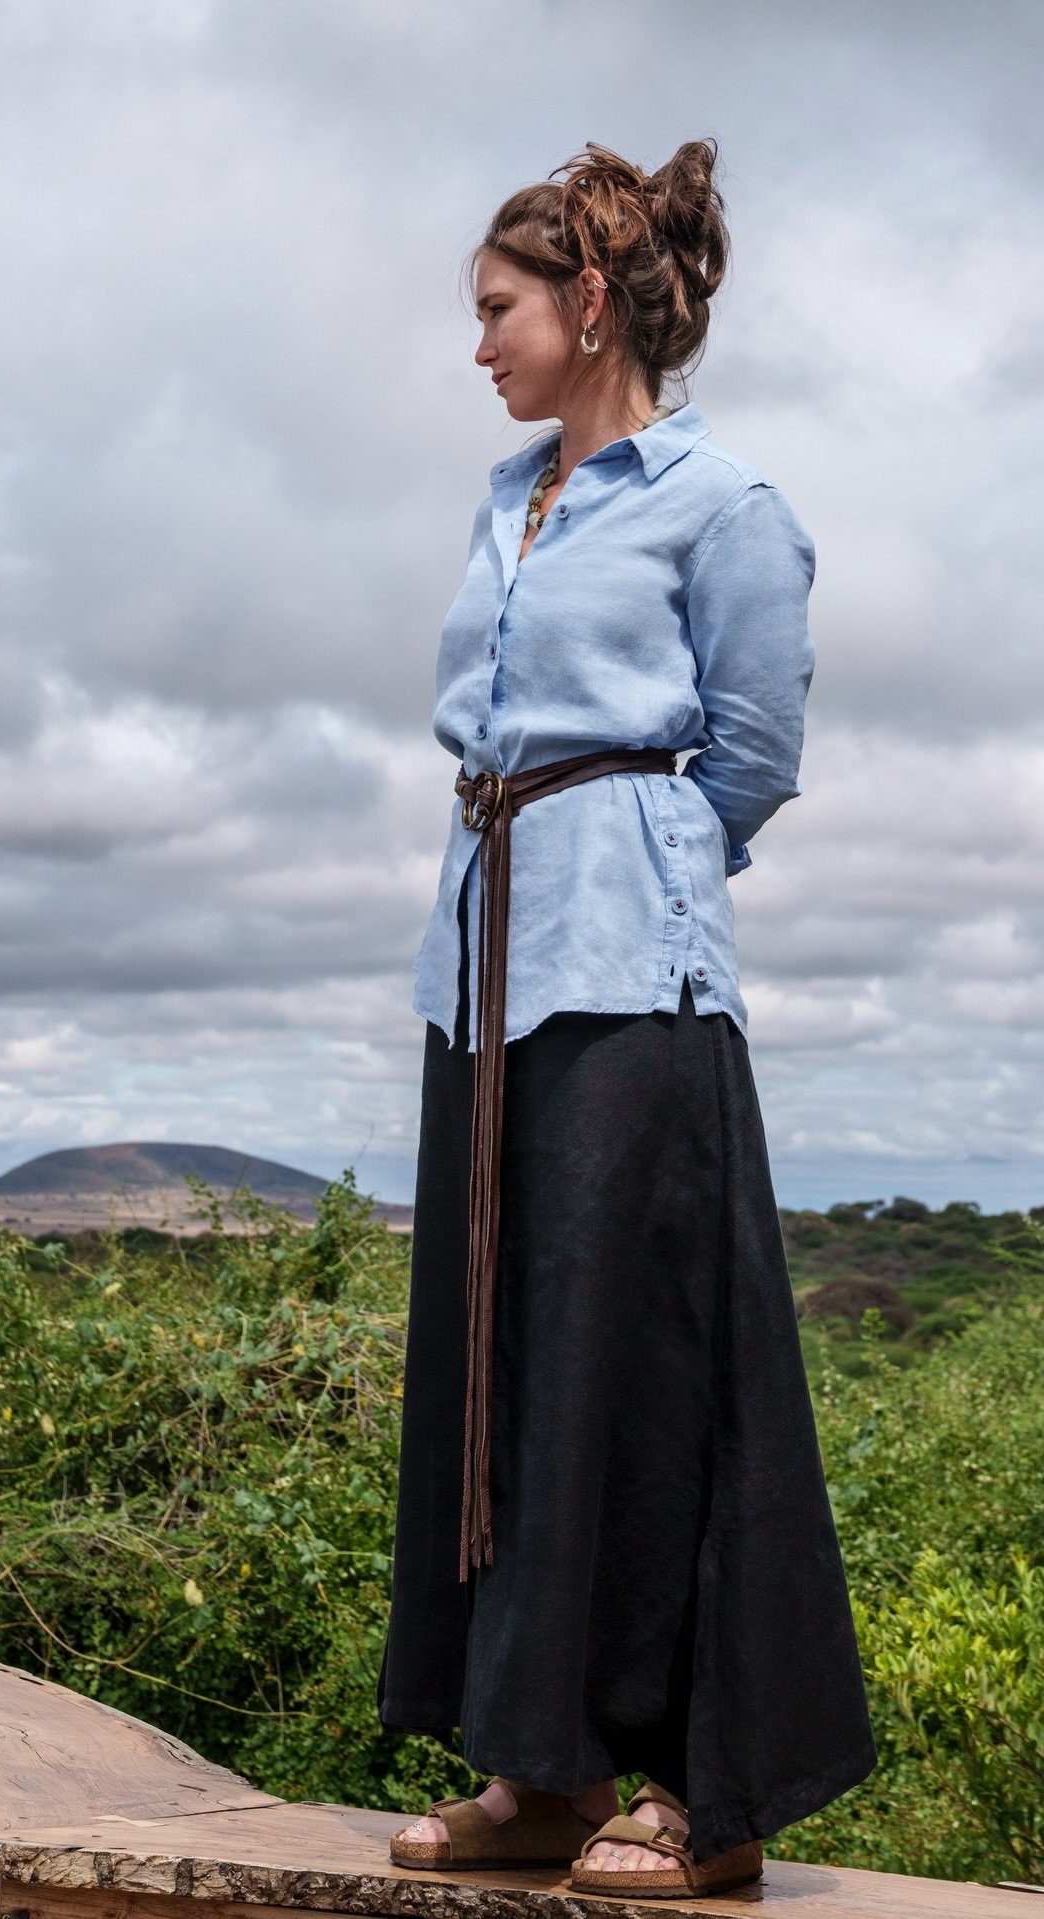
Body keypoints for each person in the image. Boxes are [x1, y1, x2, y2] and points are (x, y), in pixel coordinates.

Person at [376, 139, 877, 1901]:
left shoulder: (721, 508)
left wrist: (633, 860)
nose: (481, 346)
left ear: (591, 305)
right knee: (509, 1361)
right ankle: (542, 1771)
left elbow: (752, 757)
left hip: (633, 973)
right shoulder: (505, 496)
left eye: (499, 310)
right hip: (486, 967)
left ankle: (706, 1791)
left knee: (650, 1360)